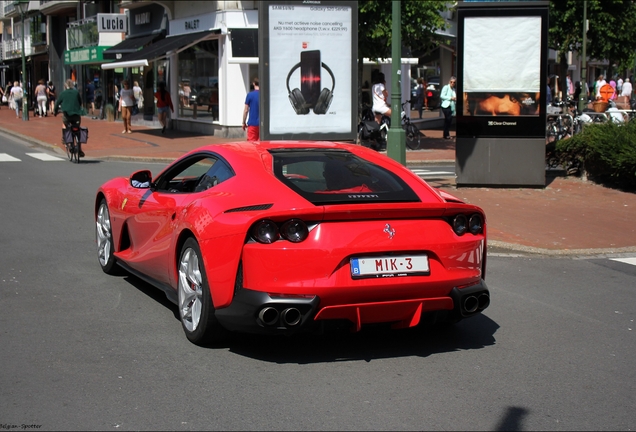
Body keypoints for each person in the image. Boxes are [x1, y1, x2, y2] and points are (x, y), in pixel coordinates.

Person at [54, 79, 84, 157]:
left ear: (65, 86)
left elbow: (57, 104)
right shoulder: (76, 92)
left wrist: (55, 111)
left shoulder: (63, 93)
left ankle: (65, 138)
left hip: (67, 115)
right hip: (76, 115)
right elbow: (80, 102)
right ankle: (80, 149)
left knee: (64, 123)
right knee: (78, 130)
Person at [242, 77, 260, 141]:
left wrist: (243, 122)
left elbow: (246, 110)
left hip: (252, 123)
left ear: (253, 84)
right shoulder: (264, 95)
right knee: (261, 145)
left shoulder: (250, 95)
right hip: (263, 124)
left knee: (251, 145)